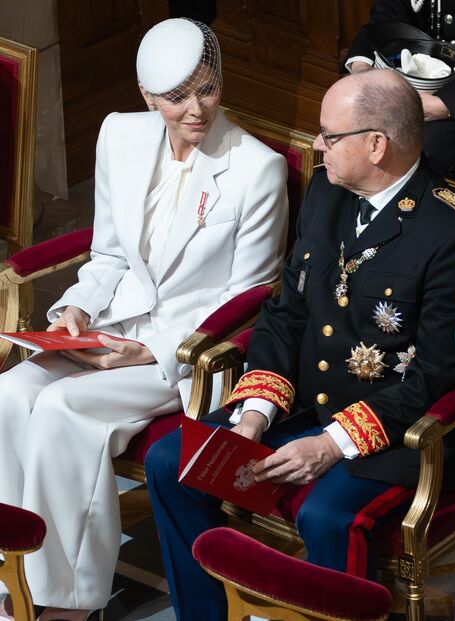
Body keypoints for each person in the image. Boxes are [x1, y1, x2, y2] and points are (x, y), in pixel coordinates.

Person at [144, 68, 455, 621]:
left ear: (376, 145)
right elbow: (286, 314)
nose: (316, 145)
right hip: (304, 404)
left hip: (398, 436)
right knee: (171, 461)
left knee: (328, 517)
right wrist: (255, 414)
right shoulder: (329, 196)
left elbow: (437, 376)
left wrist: (331, 446)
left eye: (329, 135)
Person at [0, 18, 287, 621]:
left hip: (185, 353)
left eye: (207, 88)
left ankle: (68, 600)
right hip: (111, 324)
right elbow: (107, 255)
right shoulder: (119, 136)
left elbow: (249, 295)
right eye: (177, 97)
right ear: (148, 98)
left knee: (60, 408)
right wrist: (74, 308)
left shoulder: (257, 169)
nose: (196, 109)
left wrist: (148, 351)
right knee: (9, 391)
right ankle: (13, 574)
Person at [345, 0, 455, 176]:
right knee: (348, 115)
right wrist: (364, 65)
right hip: (424, 79)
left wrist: (449, 103)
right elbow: (391, 10)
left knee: (418, 141)